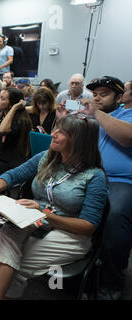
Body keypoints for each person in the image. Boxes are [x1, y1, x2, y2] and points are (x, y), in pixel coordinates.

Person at [0, 114, 108, 300]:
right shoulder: (47, 157)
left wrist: (45, 215)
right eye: (55, 128)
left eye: (61, 131)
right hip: (33, 218)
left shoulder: (94, 176)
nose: (53, 134)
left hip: (69, 232)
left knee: (11, 264)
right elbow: (14, 174)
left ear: (79, 141)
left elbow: (88, 226)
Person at [78, 76, 132, 300]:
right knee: (62, 200)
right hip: (92, 174)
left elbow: (127, 137)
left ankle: (111, 282)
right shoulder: (96, 117)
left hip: (121, 180)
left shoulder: (125, 115)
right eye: (95, 94)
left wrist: (96, 113)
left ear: (119, 98)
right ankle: (73, 268)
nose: (97, 98)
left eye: (104, 94)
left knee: (116, 217)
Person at [0, 87, 33, 184]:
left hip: (12, 163)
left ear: (11, 104)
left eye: (2, 99)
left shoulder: (21, 121)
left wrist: (14, 108)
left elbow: (2, 130)